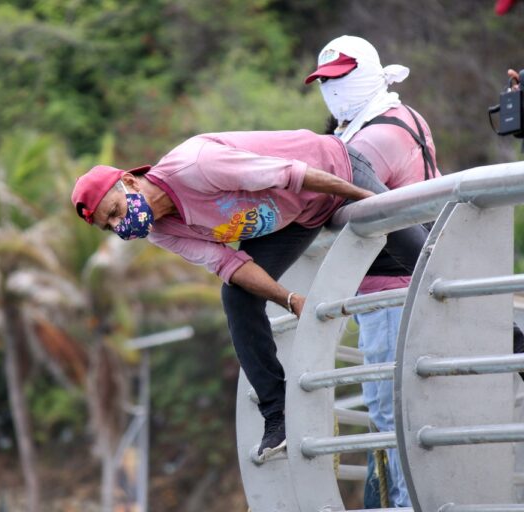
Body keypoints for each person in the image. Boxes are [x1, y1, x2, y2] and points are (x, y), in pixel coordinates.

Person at [70, 129, 430, 462]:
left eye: (116, 212)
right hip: (295, 220)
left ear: (129, 180)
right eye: (110, 226)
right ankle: (278, 416)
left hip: (334, 170)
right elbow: (229, 264)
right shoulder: (159, 231)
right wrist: (291, 299)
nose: (120, 226)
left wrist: (369, 199)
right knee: (236, 296)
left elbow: (294, 174)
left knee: (420, 255)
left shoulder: (197, 165)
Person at [305, 35, 524, 507]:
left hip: (395, 293)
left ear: (366, 73)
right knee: (407, 414)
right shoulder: (390, 118)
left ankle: (410, 505)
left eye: (341, 77)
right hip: (402, 290)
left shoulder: (379, 133)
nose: (332, 90)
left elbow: (325, 199)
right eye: (325, 81)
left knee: (396, 415)